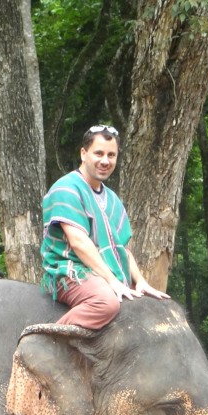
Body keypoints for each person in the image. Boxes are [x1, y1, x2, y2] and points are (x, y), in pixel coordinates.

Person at [40, 124, 168, 330]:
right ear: (84, 153)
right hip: (70, 272)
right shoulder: (66, 189)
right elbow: (79, 242)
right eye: (98, 153)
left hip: (102, 273)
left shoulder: (112, 199)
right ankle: (44, 344)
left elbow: (122, 250)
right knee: (105, 303)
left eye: (111, 155)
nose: (105, 161)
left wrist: (141, 281)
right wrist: (112, 281)